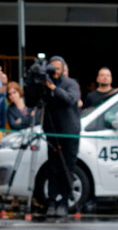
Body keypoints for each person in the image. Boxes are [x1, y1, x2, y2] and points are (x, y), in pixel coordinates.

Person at [26, 55, 80, 217]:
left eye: (58, 67)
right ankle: (51, 200)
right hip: (51, 132)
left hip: (69, 133)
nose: (54, 70)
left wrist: (52, 87)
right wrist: (33, 83)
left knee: (67, 167)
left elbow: (69, 99)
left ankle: (64, 201)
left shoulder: (70, 83)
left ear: (63, 69)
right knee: (53, 168)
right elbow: (31, 102)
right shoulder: (44, 83)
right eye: (52, 67)